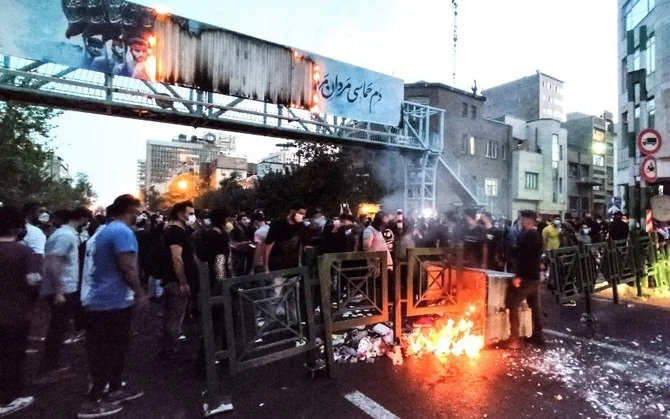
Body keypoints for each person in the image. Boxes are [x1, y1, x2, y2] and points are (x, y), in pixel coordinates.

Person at [78, 195, 147, 418]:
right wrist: (139, 293)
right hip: (109, 302)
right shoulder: (121, 232)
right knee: (105, 351)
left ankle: (115, 389)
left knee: (115, 349)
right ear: (129, 209)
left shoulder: (105, 231)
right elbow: (128, 268)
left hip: (103, 300)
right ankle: (92, 401)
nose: (141, 212)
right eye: (138, 208)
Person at [39, 207, 92, 380]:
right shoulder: (66, 236)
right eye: (86, 220)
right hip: (62, 288)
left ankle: (51, 364)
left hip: (64, 287)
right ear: (82, 218)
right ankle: (48, 368)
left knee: (59, 327)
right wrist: (59, 291)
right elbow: (54, 262)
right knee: (57, 328)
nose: (86, 224)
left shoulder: (65, 234)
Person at [0, 206, 41, 417]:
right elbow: (33, 282)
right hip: (15, 314)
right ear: (18, 227)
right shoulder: (23, 252)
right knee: (13, 357)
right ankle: (9, 398)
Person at [161, 201, 198, 359]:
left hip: (172, 280)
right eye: (190, 213)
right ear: (180, 214)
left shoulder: (175, 230)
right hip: (176, 282)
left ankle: (168, 348)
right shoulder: (176, 232)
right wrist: (183, 282)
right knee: (176, 316)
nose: (193, 216)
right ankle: (171, 350)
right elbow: (177, 258)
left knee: (171, 315)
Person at [503, 210, 545, 349]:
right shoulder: (537, 235)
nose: (520, 222)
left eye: (522, 220)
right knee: (535, 307)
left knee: (512, 303)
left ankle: (514, 338)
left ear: (528, 221)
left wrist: (518, 276)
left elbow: (524, 258)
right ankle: (538, 336)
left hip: (526, 277)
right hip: (535, 276)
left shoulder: (529, 236)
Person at [21, 202, 47, 271]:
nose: (44, 215)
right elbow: (38, 258)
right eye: (40, 212)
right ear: (30, 213)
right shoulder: (35, 232)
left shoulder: (15, 229)